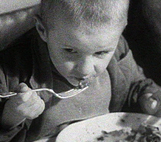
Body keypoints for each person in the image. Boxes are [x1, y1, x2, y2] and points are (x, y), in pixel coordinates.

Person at [0, 0, 161, 141]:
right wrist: (11, 117)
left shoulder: (117, 49)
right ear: (42, 30)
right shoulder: (11, 73)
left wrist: (145, 99)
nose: (85, 69)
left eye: (100, 53)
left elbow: (135, 85)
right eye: (70, 51)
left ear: (119, 33)